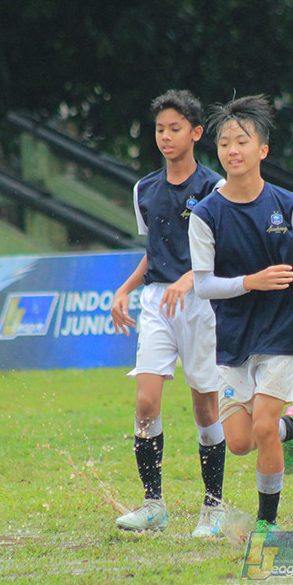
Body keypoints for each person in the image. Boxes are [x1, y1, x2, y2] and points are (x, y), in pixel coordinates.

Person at [189, 94, 293, 533]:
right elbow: (203, 284)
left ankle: (267, 524)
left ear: (262, 149)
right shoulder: (205, 214)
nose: (232, 150)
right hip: (229, 338)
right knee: (241, 442)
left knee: (261, 427)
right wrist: (251, 281)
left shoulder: (288, 203)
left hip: (280, 330)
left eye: (241, 141)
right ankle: (290, 429)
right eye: (224, 143)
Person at [109, 90, 228, 538]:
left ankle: (213, 507)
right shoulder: (144, 189)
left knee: (204, 406)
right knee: (145, 402)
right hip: (158, 301)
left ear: (196, 133)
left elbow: (220, 252)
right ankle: (152, 503)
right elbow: (153, 250)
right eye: (160, 129)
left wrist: (191, 278)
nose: (165, 137)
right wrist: (125, 289)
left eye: (175, 128)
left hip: (201, 301)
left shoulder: (214, 188)